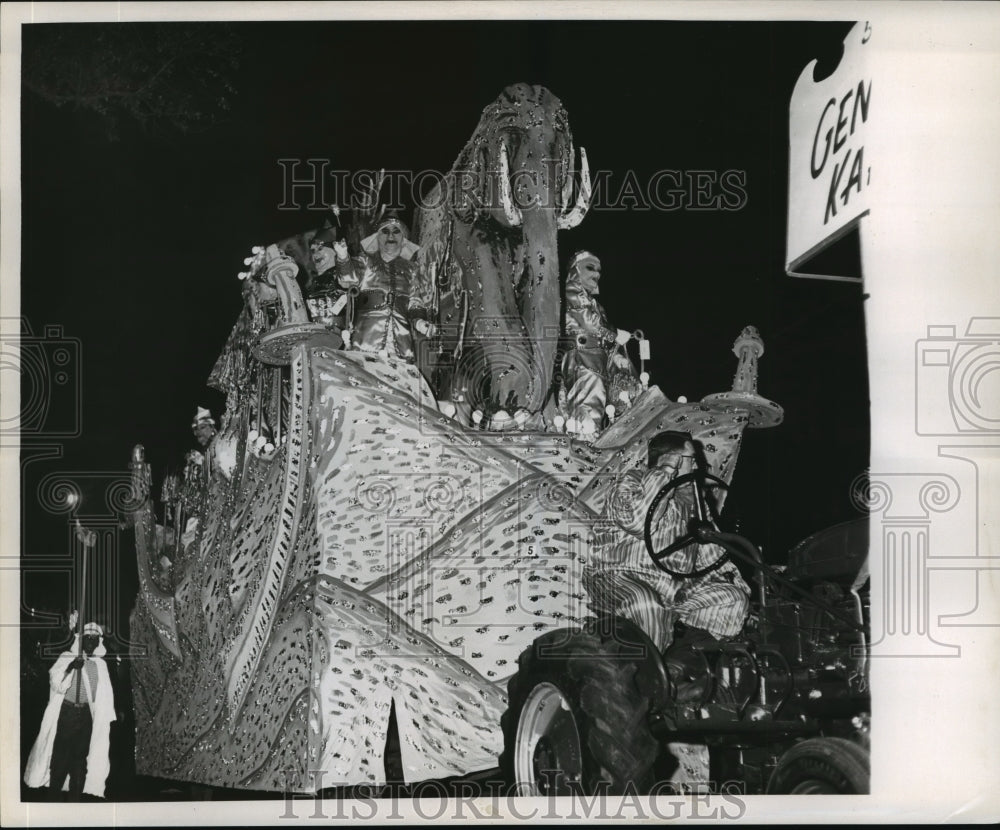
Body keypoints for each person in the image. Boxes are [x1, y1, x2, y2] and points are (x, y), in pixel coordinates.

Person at [24, 612, 116, 800]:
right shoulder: (67, 657)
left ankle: (75, 803)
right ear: (81, 640)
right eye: (87, 639)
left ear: (98, 643)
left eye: (94, 640)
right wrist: (71, 667)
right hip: (66, 714)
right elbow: (55, 682)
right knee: (60, 759)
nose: (90, 643)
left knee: (79, 762)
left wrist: (108, 716)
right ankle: (52, 801)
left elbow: (105, 696)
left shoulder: (100, 666)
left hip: (86, 718)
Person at [332, 211, 436, 361]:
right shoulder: (365, 261)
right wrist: (343, 257)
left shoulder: (413, 269)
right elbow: (347, 279)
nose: (391, 236)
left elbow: (415, 301)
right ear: (377, 237)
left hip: (401, 345)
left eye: (396, 231)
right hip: (366, 342)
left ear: (403, 239)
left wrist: (419, 321)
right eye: (385, 231)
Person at [560, 251, 634, 435]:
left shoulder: (596, 304)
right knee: (587, 402)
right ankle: (583, 445)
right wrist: (615, 334)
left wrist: (615, 356)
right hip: (581, 358)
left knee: (599, 403)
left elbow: (602, 336)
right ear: (575, 270)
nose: (597, 274)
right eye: (590, 268)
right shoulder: (572, 290)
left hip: (597, 361)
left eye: (599, 270)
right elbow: (588, 322)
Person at [305, 222, 349, 331]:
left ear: (334, 250)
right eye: (313, 251)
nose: (315, 255)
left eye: (320, 249)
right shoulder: (313, 283)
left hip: (341, 337)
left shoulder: (342, 275)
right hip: (318, 337)